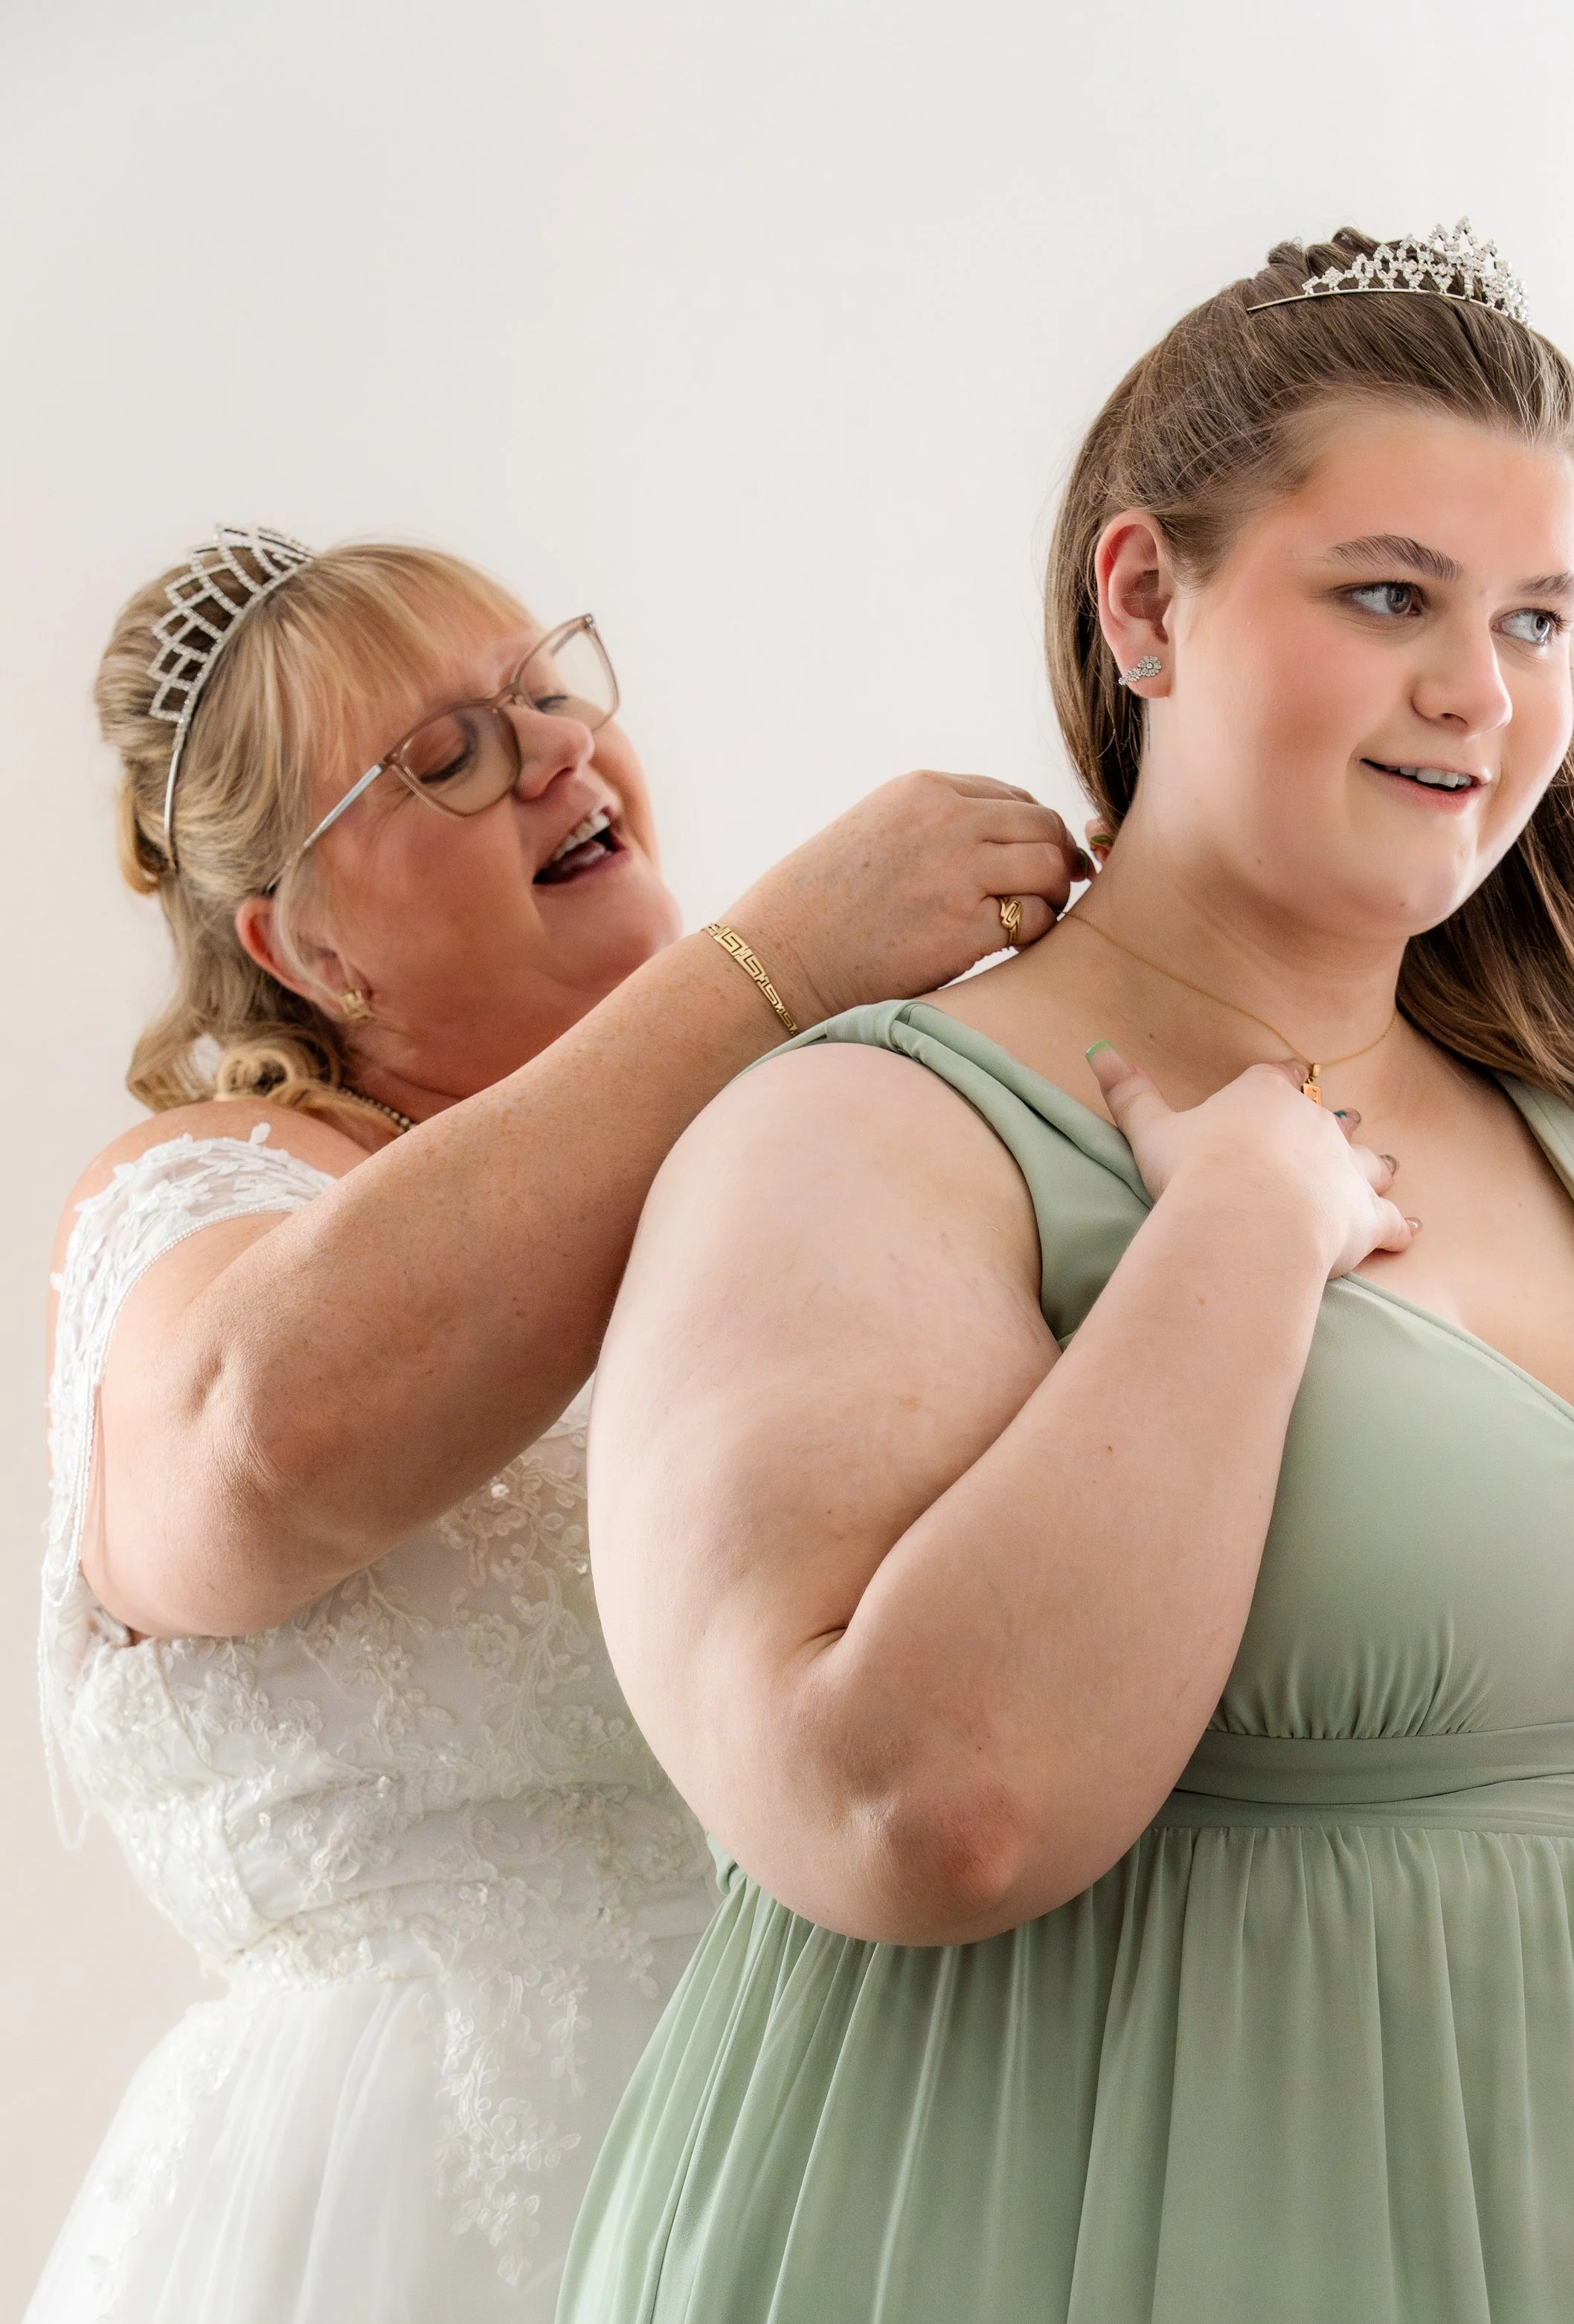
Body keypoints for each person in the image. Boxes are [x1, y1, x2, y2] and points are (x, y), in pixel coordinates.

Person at [565, 226, 1574, 2323]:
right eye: (1388, 596)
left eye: (1537, 618)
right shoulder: (865, 1133)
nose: (1481, 692)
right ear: (1146, 599)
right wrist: (1242, 1234)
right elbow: (912, 1806)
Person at [28, 527, 1088, 2324]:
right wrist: (775, 956)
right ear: (306, 944)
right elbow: (256, 1445)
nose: (553, 754)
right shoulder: (200, 1197)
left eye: (546, 687)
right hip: (403, 2219)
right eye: (442, 754)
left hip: (824, 2169)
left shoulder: (770, 1171)